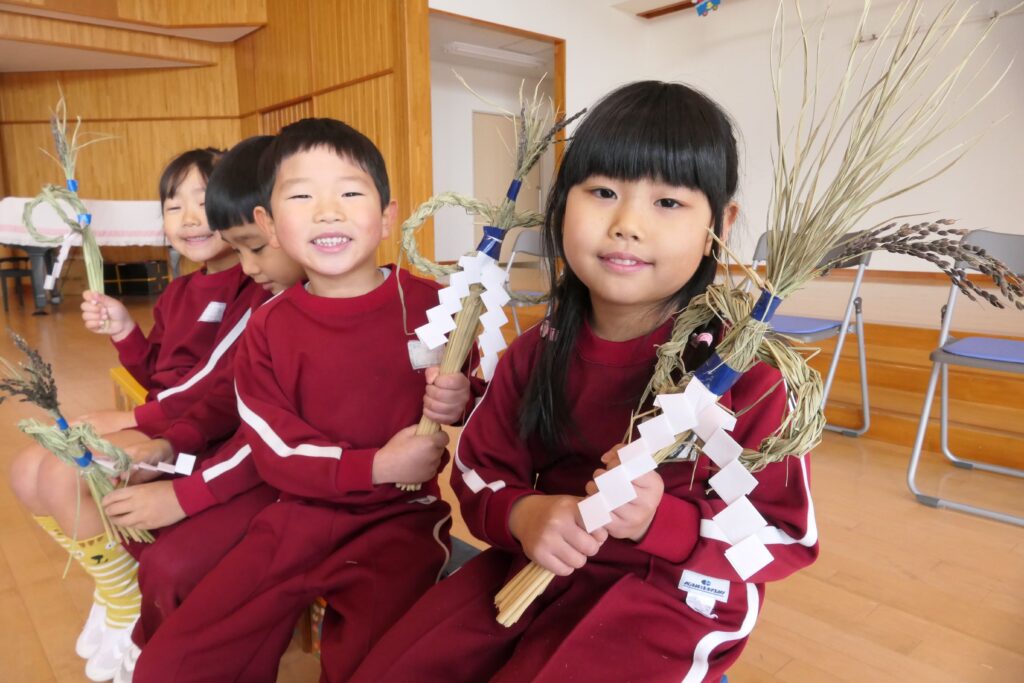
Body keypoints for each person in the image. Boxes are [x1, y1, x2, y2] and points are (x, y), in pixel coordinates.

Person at [350, 81, 819, 683]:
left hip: (675, 590)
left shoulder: (744, 372)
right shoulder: (535, 353)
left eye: (668, 203)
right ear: (562, 204)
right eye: (603, 192)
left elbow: (783, 535)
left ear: (719, 225)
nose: (626, 224)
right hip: (542, 559)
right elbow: (478, 469)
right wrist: (525, 514)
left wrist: (662, 522)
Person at [133, 117, 475, 683]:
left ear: (387, 215)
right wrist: (377, 464)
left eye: (349, 191)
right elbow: (274, 449)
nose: (327, 211)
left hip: (401, 520)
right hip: (297, 514)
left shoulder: (434, 305)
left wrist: (460, 396)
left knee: (375, 664)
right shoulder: (266, 326)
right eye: (301, 196)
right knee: (177, 663)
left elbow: (474, 400)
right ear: (270, 224)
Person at [6, 147, 254, 682]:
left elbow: (214, 387)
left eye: (204, 200)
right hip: (166, 418)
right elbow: (158, 375)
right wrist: (124, 330)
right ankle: (116, 586)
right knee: (26, 469)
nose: (189, 217)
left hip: (201, 436)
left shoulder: (251, 286)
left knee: (68, 469)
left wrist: (138, 421)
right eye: (173, 204)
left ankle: (125, 600)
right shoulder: (180, 291)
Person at [97, 134, 305, 682]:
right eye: (173, 204)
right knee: (131, 513)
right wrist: (168, 442)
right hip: (216, 445)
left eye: (252, 247)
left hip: (271, 475)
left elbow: (235, 408)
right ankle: (139, 620)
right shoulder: (185, 294)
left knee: (172, 559)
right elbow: (215, 396)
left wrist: (158, 441)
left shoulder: (267, 301)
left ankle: (155, 636)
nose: (247, 265)